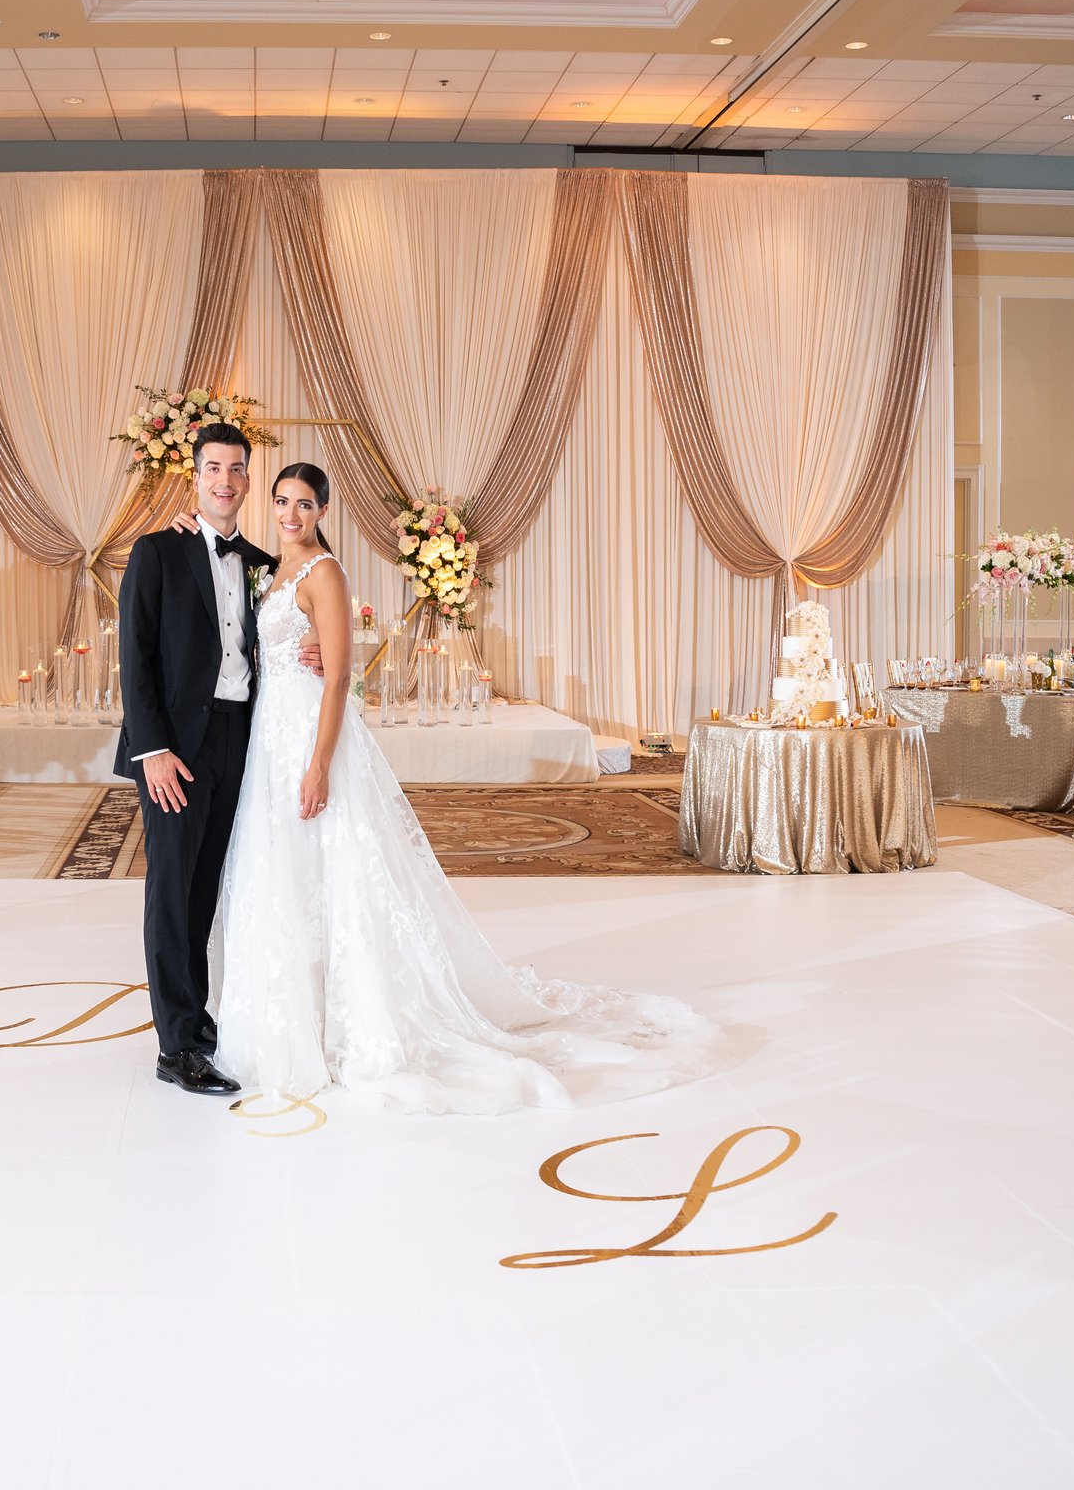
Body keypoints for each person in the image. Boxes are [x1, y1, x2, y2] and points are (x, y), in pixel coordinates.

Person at [205, 462, 718, 1114]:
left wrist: (319, 763)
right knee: (287, 882)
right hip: (269, 742)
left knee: (334, 881)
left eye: (304, 504)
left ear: (322, 512)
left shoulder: (322, 573)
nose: (290, 514)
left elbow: (337, 679)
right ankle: (292, 1020)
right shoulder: (271, 568)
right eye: (281, 501)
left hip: (307, 737)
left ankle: (351, 1028)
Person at [112, 424, 312, 1096]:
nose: (224, 479)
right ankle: (179, 1046)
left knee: (209, 891)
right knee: (171, 890)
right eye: (213, 468)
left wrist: (313, 649)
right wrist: (153, 750)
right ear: (194, 475)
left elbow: (307, 606)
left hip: (241, 739)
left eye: (236, 469)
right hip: (173, 747)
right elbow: (135, 658)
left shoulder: (261, 560)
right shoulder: (156, 552)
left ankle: (200, 1023)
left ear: (249, 480)